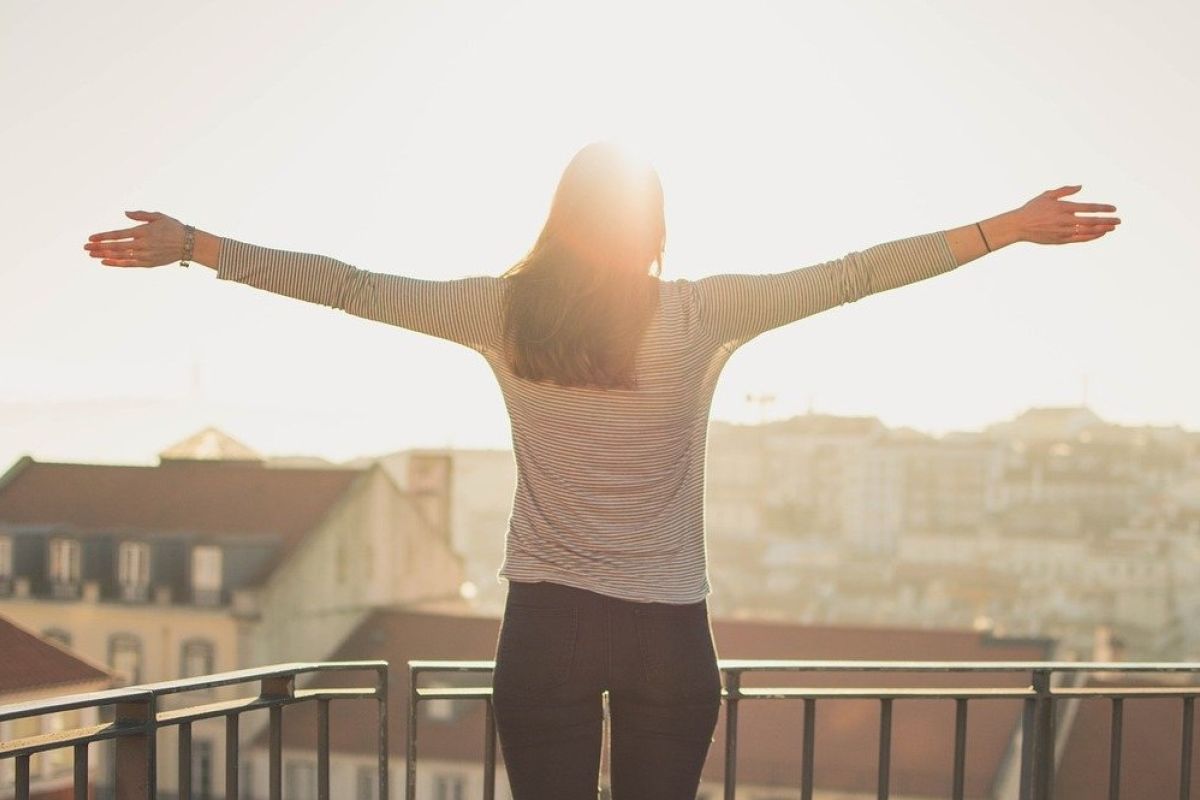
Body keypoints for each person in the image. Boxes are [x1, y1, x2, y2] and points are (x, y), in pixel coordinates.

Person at [84, 142, 1119, 799]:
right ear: (655, 227)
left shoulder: (503, 310)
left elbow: (353, 287)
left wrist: (198, 246)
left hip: (548, 625)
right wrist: (1007, 230)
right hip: (670, 630)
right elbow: (851, 276)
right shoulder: (701, 312)